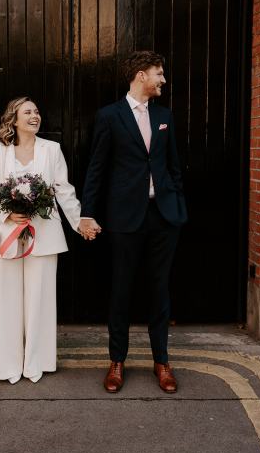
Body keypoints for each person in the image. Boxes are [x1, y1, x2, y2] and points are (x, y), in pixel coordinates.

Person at [79, 50, 187, 393]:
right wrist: (87, 212)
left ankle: (162, 362)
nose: (163, 80)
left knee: (160, 290)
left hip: (163, 216)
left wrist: (177, 203)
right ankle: (116, 362)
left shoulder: (164, 116)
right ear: (141, 75)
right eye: (159, 73)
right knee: (122, 290)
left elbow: (173, 166)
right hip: (125, 218)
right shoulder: (110, 116)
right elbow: (97, 168)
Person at [0, 96, 87, 384]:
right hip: (7, 234)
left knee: (40, 300)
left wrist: (79, 223)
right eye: (28, 112)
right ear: (13, 119)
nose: (35, 116)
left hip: (45, 235)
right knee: (6, 301)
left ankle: (37, 362)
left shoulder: (52, 150)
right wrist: (7, 212)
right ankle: (6, 365)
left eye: (37, 111)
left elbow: (63, 190)